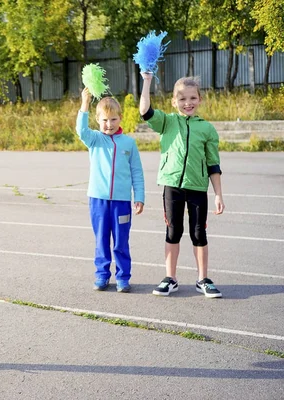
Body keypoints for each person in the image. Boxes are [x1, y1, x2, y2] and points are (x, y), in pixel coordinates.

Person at [139, 72, 225, 298]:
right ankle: (170, 278)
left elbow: (213, 164)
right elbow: (145, 111)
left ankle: (203, 279)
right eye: (182, 99)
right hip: (172, 185)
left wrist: (218, 194)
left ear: (200, 99)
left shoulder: (207, 129)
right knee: (173, 231)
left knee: (199, 233)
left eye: (192, 98)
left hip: (197, 187)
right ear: (174, 102)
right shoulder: (167, 122)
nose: (188, 103)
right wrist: (147, 81)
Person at [77, 88, 145, 293]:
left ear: (120, 118)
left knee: (121, 242)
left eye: (113, 119)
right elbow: (81, 131)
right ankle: (102, 275)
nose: (109, 124)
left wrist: (139, 196)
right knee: (101, 240)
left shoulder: (129, 143)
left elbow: (137, 173)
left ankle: (123, 277)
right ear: (98, 120)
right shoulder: (95, 140)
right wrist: (85, 104)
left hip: (122, 202)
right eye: (105, 120)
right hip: (98, 200)